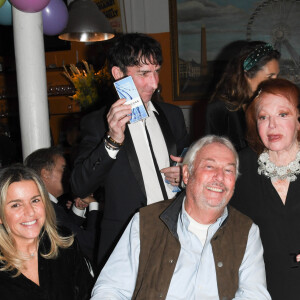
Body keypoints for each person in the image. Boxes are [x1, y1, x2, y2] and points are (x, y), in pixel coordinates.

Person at [90, 135, 270, 299]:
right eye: (209, 166)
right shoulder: (147, 223)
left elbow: (254, 295)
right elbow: (111, 289)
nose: (220, 177)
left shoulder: (246, 231)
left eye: (228, 170)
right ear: (186, 174)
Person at [71, 33, 189, 267]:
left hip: (177, 234)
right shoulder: (98, 123)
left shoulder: (172, 115)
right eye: (144, 73)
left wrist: (186, 172)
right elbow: (80, 185)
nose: (154, 83)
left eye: (156, 71)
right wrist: (113, 140)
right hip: (127, 243)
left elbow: (190, 163)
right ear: (118, 74)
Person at [230, 78, 300, 299]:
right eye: (263, 117)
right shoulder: (237, 168)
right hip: (259, 290)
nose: (272, 125)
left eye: (283, 114)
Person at [0, 165, 93, 300]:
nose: (30, 212)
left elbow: (87, 293)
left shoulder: (64, 243)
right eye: (16, 205)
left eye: (35, 200)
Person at [25, 147, 100, 263]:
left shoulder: (44, 205)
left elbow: (67, 229)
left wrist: (78, 208)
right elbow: (91, 244)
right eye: (63, 169)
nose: (70, 175)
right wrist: (94, 205)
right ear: (45, 173)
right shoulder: (47, 210)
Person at [205, 41, 280, 151]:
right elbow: (211, 154)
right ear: (247, 75)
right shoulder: (219, 109)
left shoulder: (276, 106)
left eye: (277, 76)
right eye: (270, 77)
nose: (276, 83)